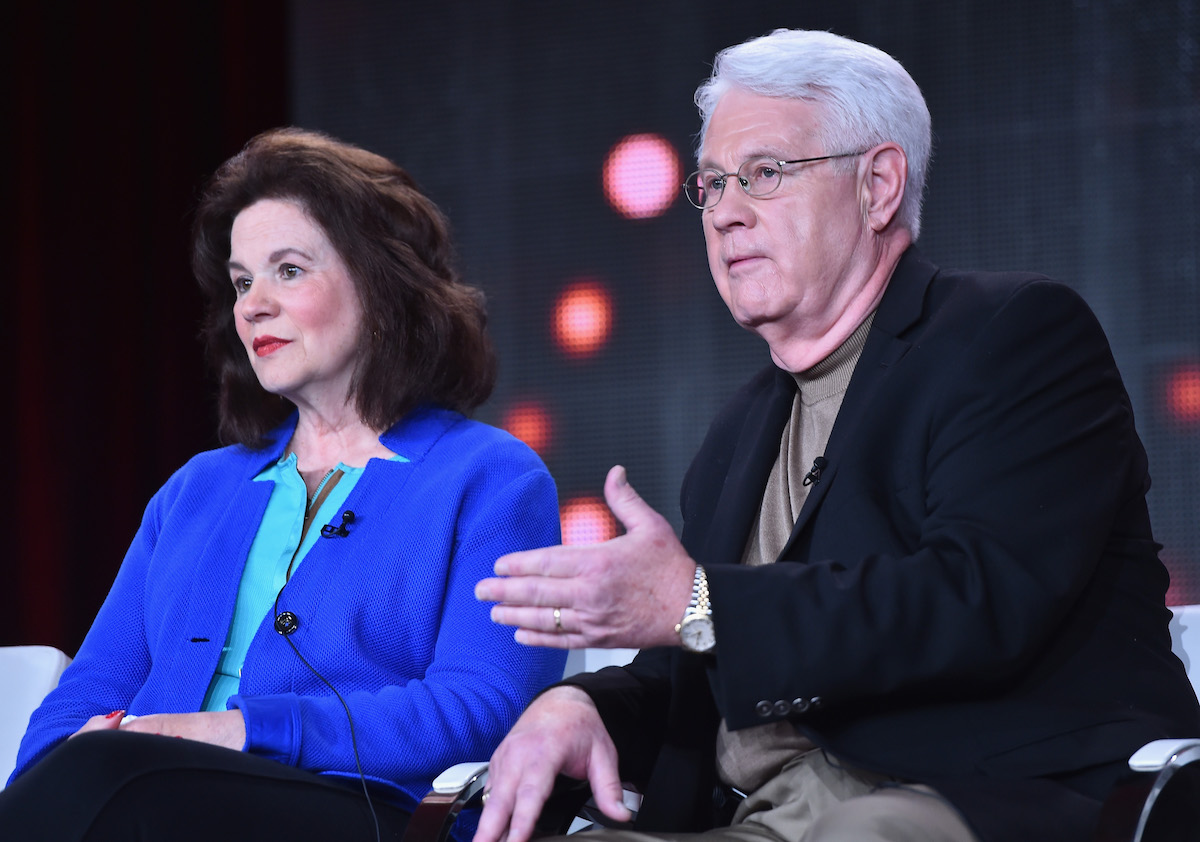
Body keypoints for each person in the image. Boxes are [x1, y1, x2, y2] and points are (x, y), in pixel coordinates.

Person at [471, 29, 1200, 842]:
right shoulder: (737, 432)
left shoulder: (1012, 336)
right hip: (756, 816)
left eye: (765, 174)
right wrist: (579, 705)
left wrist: (696, 601)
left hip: (979, 794)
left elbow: (976, 599)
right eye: (711, 185)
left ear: (879, 185)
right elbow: (699, 666)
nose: (726, 212)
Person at [0, 127, 566, 841]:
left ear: (382, 285)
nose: (252, 306)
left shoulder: (492, 479)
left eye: (288, 271)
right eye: (241, 282)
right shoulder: (195, 490)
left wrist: (236, 731)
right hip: (132, 794)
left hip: (359, 810)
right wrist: (59, 765)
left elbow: (483, 706)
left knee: (113, 782)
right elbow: (86, 690)